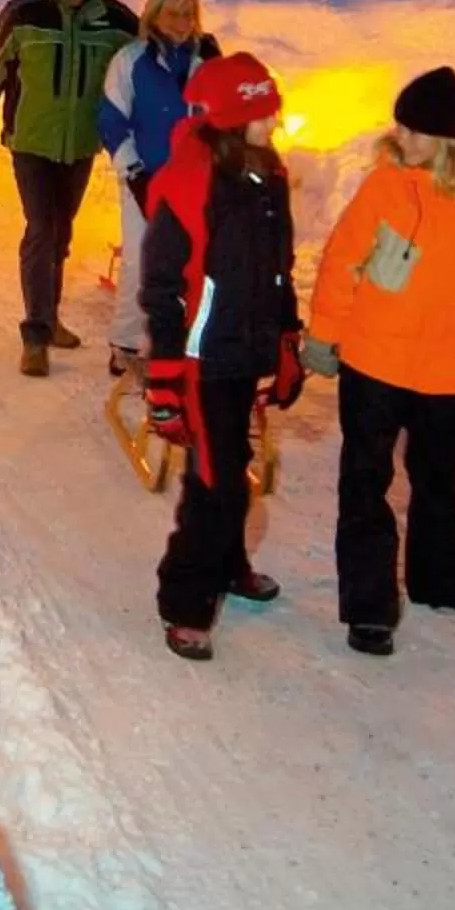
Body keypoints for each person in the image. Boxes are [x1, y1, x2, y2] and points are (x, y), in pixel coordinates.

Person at [303, 67, 455, 656]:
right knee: (365, 484)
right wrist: (324, 336)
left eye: (415, 130)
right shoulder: (385, 186)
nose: (402, 137)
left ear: (449, 137)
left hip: (450, 372)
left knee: (440, 483)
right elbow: (341, 262)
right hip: (375, 362)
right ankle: (369, 605)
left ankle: (444, 581)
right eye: (399, 125)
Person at [137, 51, 305, 660]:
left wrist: (286, 339)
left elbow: (279, 270)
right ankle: (184, 600)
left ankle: (230, 563)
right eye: (264, 114)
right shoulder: (188, 181)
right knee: (215, 485)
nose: (275, 124)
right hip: (202, 360)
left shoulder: (270, 176)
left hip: (246, 351)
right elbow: (162, 289)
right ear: (233, 118)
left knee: (235, 466)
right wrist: (162, 379)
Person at [0, 0, 140, 376]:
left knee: (61, 234)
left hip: (80, 144)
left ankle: (51, 314)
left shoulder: (116, 21)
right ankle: (35, 334)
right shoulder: (25, 13)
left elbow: (145, 70)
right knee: (41, 229)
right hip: (32, 141)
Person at [95, 0, 220, 372]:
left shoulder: (204, 63)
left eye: (188, 14)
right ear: (154, 15)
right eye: (173, 13)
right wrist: (134, 172)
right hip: (145, 177)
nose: (182, 22)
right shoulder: (130, 60)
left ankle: (178, 337)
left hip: (192, 183)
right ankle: (127, 341)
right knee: (140, 258)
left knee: (190, 261)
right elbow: (112, 120)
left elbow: (219, 120)